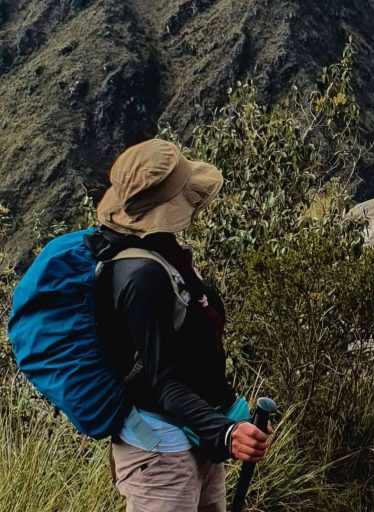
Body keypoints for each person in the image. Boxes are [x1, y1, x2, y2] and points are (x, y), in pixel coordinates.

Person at [83, 139, 270, 512]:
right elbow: (165, 382)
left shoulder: (162, 253)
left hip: (194, 437)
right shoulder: (140, 276)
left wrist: (229, 417)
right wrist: (227, 432)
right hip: (160, 457)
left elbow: (192, 355)